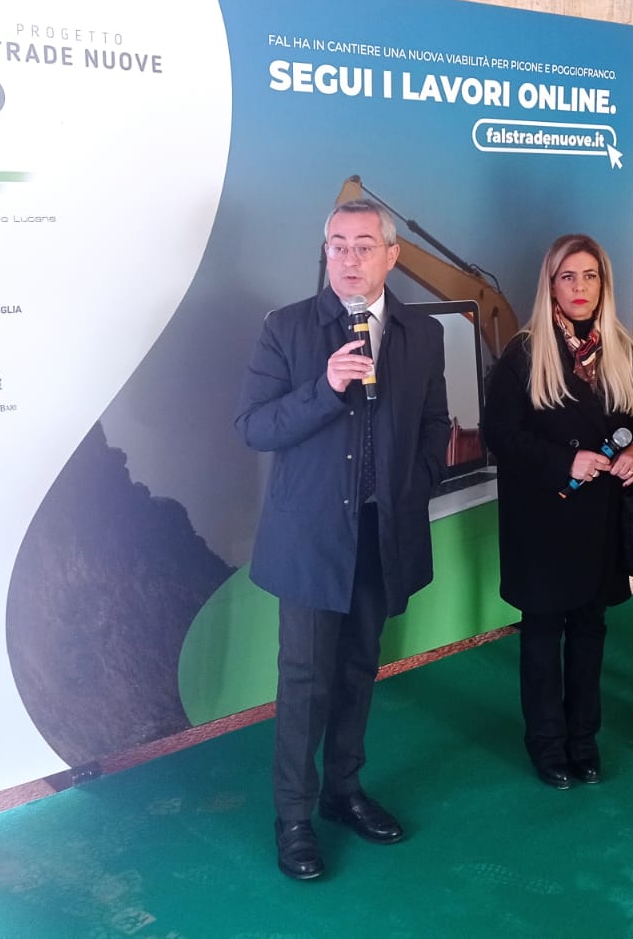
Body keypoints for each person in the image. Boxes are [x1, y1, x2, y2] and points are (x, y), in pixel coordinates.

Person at [235, 198, 449, 881]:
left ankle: (343, 790)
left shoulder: (422, 333)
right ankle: (294, 817)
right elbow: (254, 427)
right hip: (309, 541)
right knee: (304, 679)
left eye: (363, 245)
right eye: (337, 245)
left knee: (359, 667)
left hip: (382, 534)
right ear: (325, 252)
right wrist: (324, 388)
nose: (349, 258)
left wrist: (414, 484)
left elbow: (435, 424)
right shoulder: (288, 328)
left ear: (392, 255)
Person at [482, 234, 633, 789]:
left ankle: (584, 739)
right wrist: (566, 461)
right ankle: (546, 742)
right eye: (567, 277)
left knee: (590, 628)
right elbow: (500, 436)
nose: (579, 287)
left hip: (601, 521)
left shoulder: (622, 350)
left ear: (603, 283)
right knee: (542, 632)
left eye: (589, 276)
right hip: (542, 521)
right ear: (551, 285)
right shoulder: (524, 353)